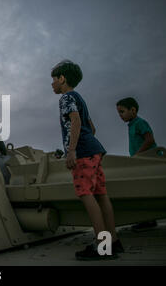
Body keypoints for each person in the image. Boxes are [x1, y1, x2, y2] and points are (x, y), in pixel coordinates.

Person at [51, 60, 123, 260]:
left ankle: (102, 245)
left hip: (82, 151)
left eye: (54, 79)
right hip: (95, 149)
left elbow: (75, 120)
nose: (52, 84)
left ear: (62, 79)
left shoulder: (66, 98)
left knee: (85, 193)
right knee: (101, 194)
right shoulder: (79, 97)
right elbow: (91, 128)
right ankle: (113, 241)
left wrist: (72, 150)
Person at [116, 97, 158, 231]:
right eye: (119, 113)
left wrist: (137, 155)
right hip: (139, 163)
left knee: (145, 190)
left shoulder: (140, 123)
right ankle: (147, 219)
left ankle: (149, 219)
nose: (120, 115)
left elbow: (150, 139)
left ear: (133, 110)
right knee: (141, 190)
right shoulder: (131, 125)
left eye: (122, 112)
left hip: (148, 162)